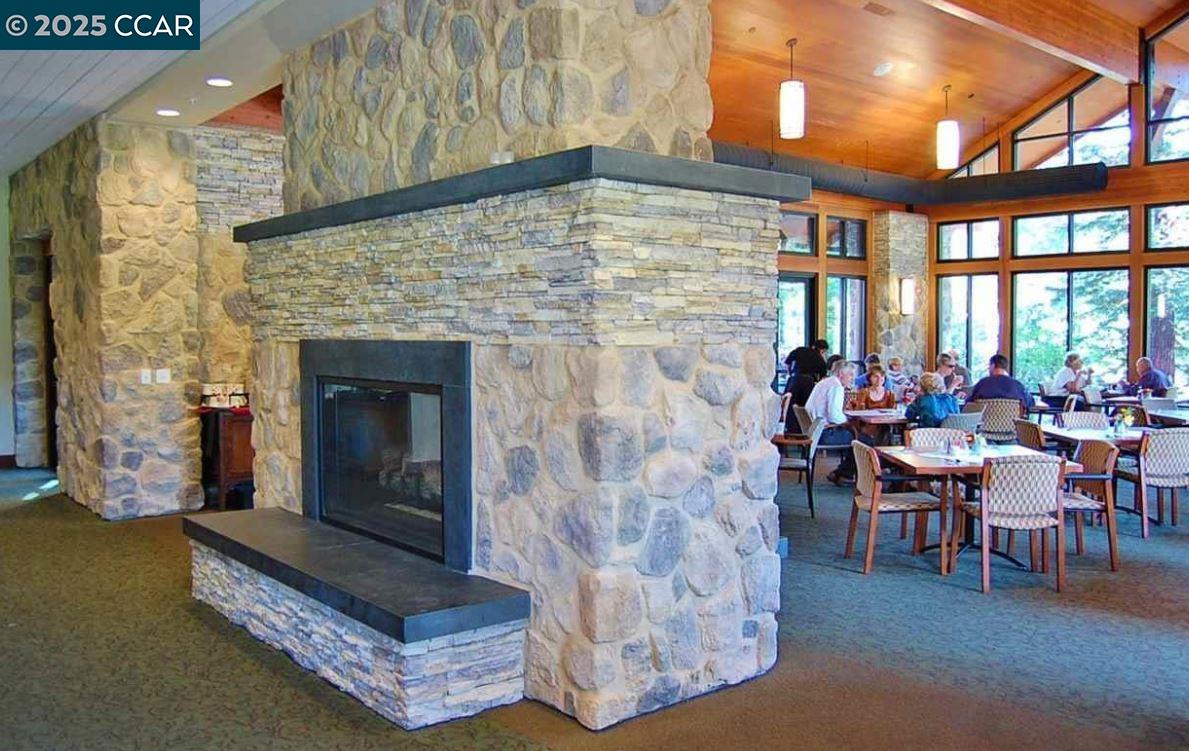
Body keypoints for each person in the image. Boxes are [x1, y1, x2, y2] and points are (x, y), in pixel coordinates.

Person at [805, 359, 873, 485]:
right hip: (824, 434)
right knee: (864, 441)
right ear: (841, 373)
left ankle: (842, 473)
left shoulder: (824, 382)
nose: (852, 378)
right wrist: (848, 421)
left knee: (857, 436)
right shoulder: (836, 386)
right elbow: (834, 416)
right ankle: (845, 474)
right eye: (850, 374)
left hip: (813, 432)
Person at [848, 365, 897, 443]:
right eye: (876, 376)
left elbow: (893, 413)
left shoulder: (890, 394)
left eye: (882, 376)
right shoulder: (864, 392)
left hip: (885, 426)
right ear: (870, 378)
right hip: (867, 427)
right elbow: (859, 413)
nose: (879, 379)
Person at [969, 354, 1034, 409]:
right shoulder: (1017, 385)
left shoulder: (981, 384)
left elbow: (969, 403)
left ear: (992, 366)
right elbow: (1031, 402)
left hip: (984, 420)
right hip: (1012, 420)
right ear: (1005, 367)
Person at [783, 338, 829, 407]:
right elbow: (823, 377)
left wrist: (790, 373)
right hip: (808, 383)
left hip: (795, 379)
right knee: (804, 406)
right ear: (823, 350)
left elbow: (787, 363)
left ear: (813, 346)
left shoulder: (800, 350)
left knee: (789, 404)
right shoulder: (820, 359)